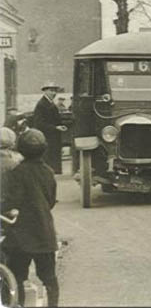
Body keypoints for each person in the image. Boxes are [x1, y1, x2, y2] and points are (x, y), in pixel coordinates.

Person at [1, 128, 59, 307]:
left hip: (21, 235)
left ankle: (17, 305)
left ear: (20, 148)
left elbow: (11, 201)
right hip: (44, 232)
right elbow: (51, 201)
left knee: (15, 277)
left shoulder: (16, 173)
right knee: (49, 278)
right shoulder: (48, 172)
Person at [32, 82, 68, 174]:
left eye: (55, 91)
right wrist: (55, 127)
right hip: (47, 137)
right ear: (45, 91)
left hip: (52, 137)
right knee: (48, 161)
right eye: (51, 91)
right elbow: (38, 124)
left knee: (52, 162)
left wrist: (59, 126)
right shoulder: (41, 104)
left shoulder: (49, 103)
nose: (54, 93)